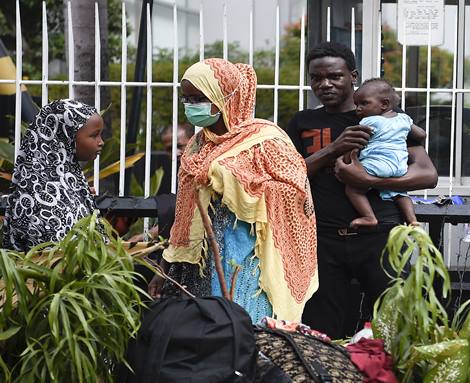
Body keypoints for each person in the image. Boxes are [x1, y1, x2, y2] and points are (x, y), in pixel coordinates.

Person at [286, 41, 438, 339]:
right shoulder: (303, 121)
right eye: (316, 78)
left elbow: (427, 174)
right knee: (321, 329)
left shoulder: (386, 118)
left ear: (353, 76)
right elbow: (288, 174)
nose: (325, 84)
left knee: (392, 325)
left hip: (381, 236)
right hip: (322, 240)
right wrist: (333, 150)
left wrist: (368, 179)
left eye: (334, 76)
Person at [149, 58, 318, 324]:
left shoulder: (266, 139)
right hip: (206, 258)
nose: (192, 106)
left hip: (253, 256)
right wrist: (165, 267)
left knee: (250, 324)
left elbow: (295, 192)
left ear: (224, 97)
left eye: (198, 98)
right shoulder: (196, 145)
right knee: (214, 329)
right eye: (187, 99)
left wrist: (228, 178)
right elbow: (184, 212)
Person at [2, 99, 104, 252]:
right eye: (94, 135)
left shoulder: (68, 180)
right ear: (65, 136)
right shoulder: (38, 197)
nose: (101, 142)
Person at [347, 78, 425, 228]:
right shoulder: (404, 119)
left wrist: (350, 160)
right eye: (356, 104)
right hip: (400, 167)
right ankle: (412, 220)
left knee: (353, 189)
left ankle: (369, 217)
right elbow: (421, 135)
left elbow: (355, 145)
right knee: (400, 194)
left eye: (364, 103)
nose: (358, 109)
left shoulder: (368, 122)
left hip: (377, 164)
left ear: (384, 104)